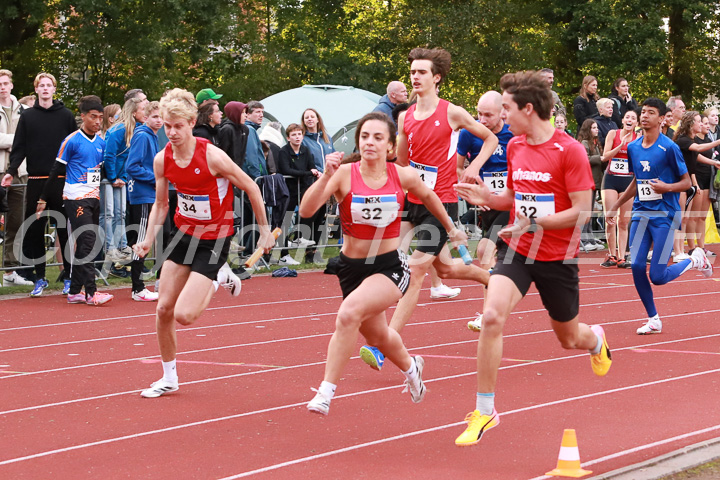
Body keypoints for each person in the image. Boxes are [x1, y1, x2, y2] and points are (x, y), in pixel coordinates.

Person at [453, 70, 612, 446]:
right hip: (518, 249)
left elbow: (583, 211)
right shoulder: (514, 147)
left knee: (569, 338)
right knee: (491, 315)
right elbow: (512, 196)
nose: (502, 116)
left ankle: (596, 342)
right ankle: (485, 410)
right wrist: (487, 200)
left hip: (556, 257)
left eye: (506, 108)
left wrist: (536, 222)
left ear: (527, 108)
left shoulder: (569, 150)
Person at [303, 112, 466, 414]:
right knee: (378, 336)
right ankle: (411, 366)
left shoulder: (401, 175)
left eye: (378, 138)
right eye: (365, 136)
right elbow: (305, 210)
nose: (370, 143)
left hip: (389, 266)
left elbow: (431, 198)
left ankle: (325, 393)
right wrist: (326, 175)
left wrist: (452, 228)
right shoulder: (343, 174)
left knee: (348, 314)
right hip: (351, 269)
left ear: (391, 146)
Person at [359, 48, 495, 372]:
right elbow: (403, 163)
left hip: (443, 202)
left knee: (417, 271)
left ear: (436, 77)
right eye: (412, 72)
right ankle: (490, 279)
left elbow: (489, 138)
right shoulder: (404, 117)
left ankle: (384, 344)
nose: (415, 77)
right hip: (413, 201)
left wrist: (472, 168)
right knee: (443, 270)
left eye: (422, 72)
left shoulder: (452, 113)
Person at [134, 88, 275, 398]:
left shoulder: (211, 155)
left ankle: (220, 274)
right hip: (184, 234)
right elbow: (161, 205)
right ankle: (169, 377)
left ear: (191, 122)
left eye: (178, 126)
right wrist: (147, 240)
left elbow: (251, 187)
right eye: (167, 126)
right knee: (163, 309)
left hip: (216, 236)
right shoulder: (163, 160)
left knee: (185, 315)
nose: (171, 132)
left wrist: (264, 231)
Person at [606, 98, 712, 336]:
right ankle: (653, 319)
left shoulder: (669, 148)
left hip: (665, 215)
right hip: (641, 213)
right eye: (642, 112)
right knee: (635, 265)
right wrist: (616, 206)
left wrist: (666, 187)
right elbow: (637, 182)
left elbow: (686, 183)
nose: (644, 116)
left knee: (658, 276)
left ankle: (695, 260)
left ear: (662, 118)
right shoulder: (632, 147)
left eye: (650, 113)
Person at [2, 72, 76, 297]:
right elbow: (19, 147)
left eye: (48, 85)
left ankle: (69, 277)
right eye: (41, 85)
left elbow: (74, 145)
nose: (45, 89)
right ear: (36, 90)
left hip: (61, 181)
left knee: (63, 229)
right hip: (35, 180)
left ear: (54, 89)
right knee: (34, 231)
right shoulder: (28, 117)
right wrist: (11, 172)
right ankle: (40, 278)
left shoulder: (65, 115)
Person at [36, 95, 114, 305]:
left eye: (100, 117)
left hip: (94, 197)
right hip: (75, 198)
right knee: (87, 242)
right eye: (93, 117)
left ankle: (75, 291)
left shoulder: (101, 142)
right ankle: (91, 292)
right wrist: (43, 198)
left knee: (87, 244)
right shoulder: (71, 140)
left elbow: (102, 169)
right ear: (83, 117)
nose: (98, 121)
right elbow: (56, 170)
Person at [456, 91, 514, 332]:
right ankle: (497, 303)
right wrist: (475, 192)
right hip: (486, 205)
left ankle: (488, 313)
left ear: (502, 111)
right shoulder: (469, 134)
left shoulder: (514, 133)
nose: (481, 119)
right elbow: (458, 168)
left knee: (484, 250)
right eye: (478, 113)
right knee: (496, 258)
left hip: (510, 203)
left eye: (487, 115)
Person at [102, 93, 149, 265]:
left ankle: (122, 245)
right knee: (108, 213)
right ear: (134, 112)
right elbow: (110, 155)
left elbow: (129, 159)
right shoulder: (118, 130)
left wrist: (122, 177)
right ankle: (109, 247)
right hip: (108, 178)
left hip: (121, 178)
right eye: (143, 110)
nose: (146, 113)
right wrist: (114, 176)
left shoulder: (137, 130)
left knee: (121, 213)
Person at [125, 101, 163, 302]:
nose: (159, 120)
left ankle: (138, 286)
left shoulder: (152, 137)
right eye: (155, 116)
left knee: (141, 240)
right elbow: (132, 166)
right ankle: (138, 288)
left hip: (148, 195)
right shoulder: (142, 136)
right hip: (141, 196)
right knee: (141, 241)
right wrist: (155, 178)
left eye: (161, 117)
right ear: (146, 117)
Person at [0, 68, 33, 287]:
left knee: (16, 222)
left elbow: (30, 138)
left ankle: (10, 270)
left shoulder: (25, 110)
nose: (2, 87)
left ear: (11, 85)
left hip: (20, 172)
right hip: (0, 171)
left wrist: (16, 141)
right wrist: (17, 141)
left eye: (5, 83)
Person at [674, 112, 720, 256]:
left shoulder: (689, 139)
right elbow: (698, 150)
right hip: (678, 181)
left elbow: (696, 157)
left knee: (686, 217)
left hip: (688, 181)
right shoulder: (683, 140)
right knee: (682, 218)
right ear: (690, 124)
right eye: (699, 121)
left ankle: (682, 250)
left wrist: (714, 162)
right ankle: (680, 250)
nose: (701, 124)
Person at [600, 109, 639, 268]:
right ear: (623, 120)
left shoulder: (638, 138)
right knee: (610, 219)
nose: (630, 120)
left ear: (636, 123)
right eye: (627, 117)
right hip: (610, 179)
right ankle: (612, 254)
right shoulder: (613, 134)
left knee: (624, 221)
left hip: (628, 181)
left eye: (633, 118)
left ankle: (622, 257)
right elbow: (604, 156)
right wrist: (621, 146)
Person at [277, 123, 320, 265]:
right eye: (294, 135)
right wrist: (308, 173)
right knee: (285, 220)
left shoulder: (306, 150)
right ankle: (283, 254)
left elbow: (312, 165)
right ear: (288, 138)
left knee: (309, 212)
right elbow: (286, 170)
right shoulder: (283, 152)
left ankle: (298, 236)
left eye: (299, 134)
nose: (297, 137)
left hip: (304, 188)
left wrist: (312, 172)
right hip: (288, 191)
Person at [300, 108, 335, 261]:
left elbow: (333, 156)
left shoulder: (327, 139)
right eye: (306, 117)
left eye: (312, 117)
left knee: (321, 216)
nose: (309, 119)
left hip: (327, 183)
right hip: (312, 183)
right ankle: (306, 252)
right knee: (310, 216)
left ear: (317, 119)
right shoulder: (303, 139)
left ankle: (314, 252)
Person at [576, 118, 605, 252]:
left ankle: (589, 237)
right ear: (588, 129)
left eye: (597, 127)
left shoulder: (595, 143)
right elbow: (583, 159)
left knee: (590, 210)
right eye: (593, 128)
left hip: (594, 181)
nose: (596, 130)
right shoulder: (584, 143)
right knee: (586, 211)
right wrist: (599, 158)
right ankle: (583, 239)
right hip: (586, 181)